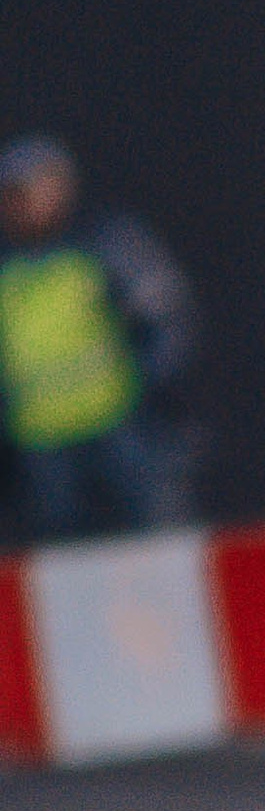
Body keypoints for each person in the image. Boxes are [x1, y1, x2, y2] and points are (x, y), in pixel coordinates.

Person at [0, 136, 198, 540]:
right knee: (63, 554)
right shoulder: (7, 264)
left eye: (31, 190)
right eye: (12, 195)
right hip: (40, 439)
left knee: (158, 531)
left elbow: (163, 316)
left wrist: (155, 392)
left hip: (120, 422)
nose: (22, 204)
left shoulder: (102, 243)